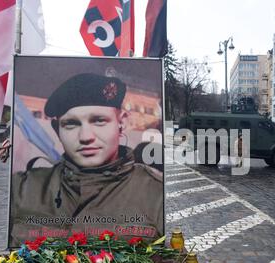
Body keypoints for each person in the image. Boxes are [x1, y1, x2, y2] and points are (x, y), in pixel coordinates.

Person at [10, 73, 163, 247]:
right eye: (71, 124)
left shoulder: (156, 194)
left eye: (99, 121)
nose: (85, 137)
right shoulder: (21, 189)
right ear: (57, 129)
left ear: (121, 123)